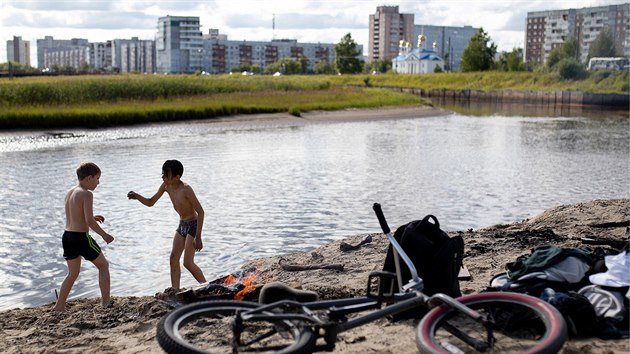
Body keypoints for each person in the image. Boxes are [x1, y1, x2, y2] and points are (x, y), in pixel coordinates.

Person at [127, 160, 207, 289]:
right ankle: (175, 291)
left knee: (188, 262)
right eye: (162, 174)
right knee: (173, 259)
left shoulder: (186, 189)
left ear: (177, 177)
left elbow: (201, 212)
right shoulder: (166, 186)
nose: (163, 177)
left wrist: (198, 237)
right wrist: (137, 196)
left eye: (166, 175)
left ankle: (206, 285)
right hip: (182, 225)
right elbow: (150, 202)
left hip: (193, 225)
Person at [54, 162, 115, 312]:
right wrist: (104, 235)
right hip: (81, 238)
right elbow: (87, 222)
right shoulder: (87, 194)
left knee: (72, 274)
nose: (98, 182)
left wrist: (93, 217)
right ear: (88, 178)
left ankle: (59, 305)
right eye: (97, 179)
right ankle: (106, 303)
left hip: (67, 237)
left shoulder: (71, 192)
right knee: (103, 266)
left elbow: (77, 215)